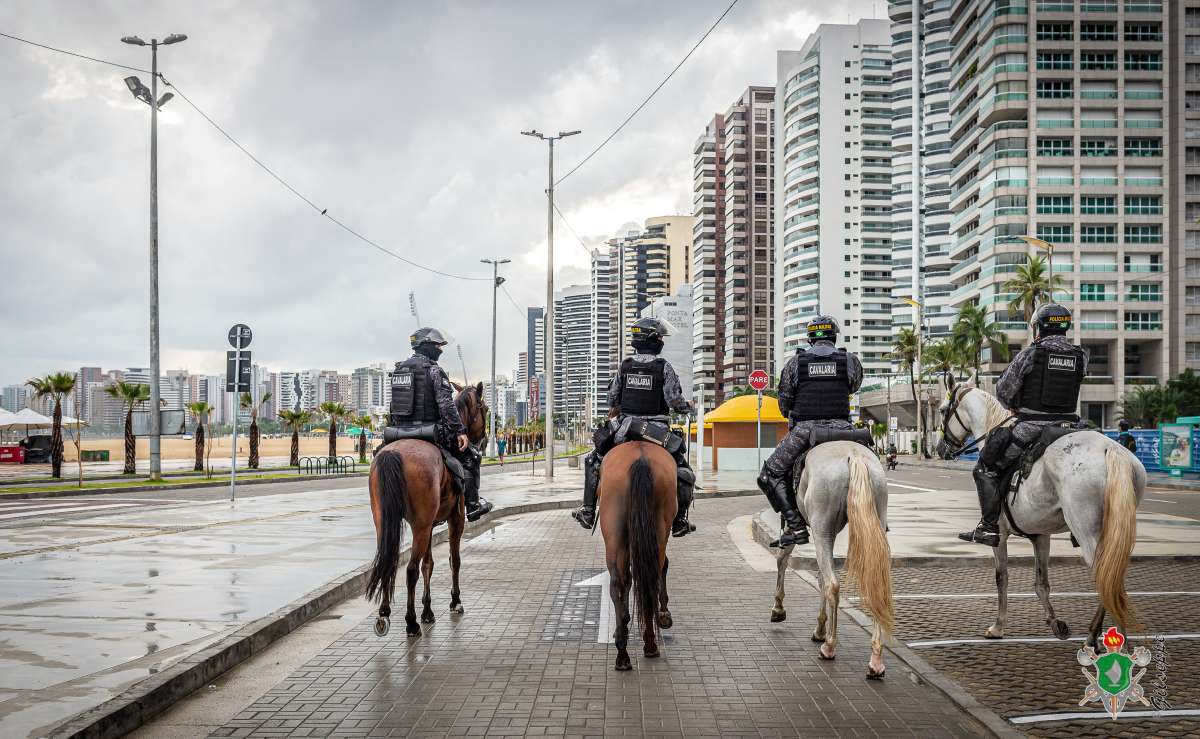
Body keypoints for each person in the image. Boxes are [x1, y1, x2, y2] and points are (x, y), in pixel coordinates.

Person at [958, 303, 1088, 546]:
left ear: (1039, 328)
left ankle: (988, 527)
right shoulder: (1081, 356)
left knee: (985, 467)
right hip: (1070, 427)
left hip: (1032, 427)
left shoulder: (1031, 354)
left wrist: (1015, 404)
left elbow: (1003, 390)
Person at [572, 317, 696, 537]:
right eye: (660, 337)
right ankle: (679, 521)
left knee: (592, 461)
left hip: (624, 430)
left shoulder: (625, 366)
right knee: (684, 472)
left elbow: (611, 399)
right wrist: (687, 407)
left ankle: (588, 510)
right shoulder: (664, 368)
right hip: (658, 432)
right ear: (655, 341)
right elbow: (673, 401)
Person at [758, 315, 864, 547]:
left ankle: (795, 527)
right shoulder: (850, 360)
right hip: (844, 428)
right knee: (870, 463)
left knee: (770, 474)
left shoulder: (796, 363)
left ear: (810, 338)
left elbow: (784, 401)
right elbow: (854, 386)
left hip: (806, 430)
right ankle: (877, 515)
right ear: (834, 336)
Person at [386, 327, 493, 521]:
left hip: (398, 432)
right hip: (429, 431)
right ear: (426, 346)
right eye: (437, 345)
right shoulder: (434, 370)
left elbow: (394, 405)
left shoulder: (399, 369)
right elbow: (445, 405)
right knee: (472, 457)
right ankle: (472, 505)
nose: (440, 350)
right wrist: (460, 431)